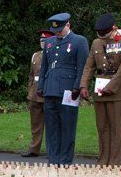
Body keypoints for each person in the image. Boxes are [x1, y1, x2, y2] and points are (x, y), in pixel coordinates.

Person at [80, 13, 121, 166]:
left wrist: (110, 87)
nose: (102, 37)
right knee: (102, 128)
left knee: (117, 129)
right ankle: (103, 160)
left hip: (119, 91)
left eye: (105, 34)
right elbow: (89, 66)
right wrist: (83, 85)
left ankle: (114, 163)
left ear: (113, 29)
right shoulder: (96, 43)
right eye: (100, 34)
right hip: (100, 90)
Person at [38, 13, 89, 165]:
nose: (57, 33)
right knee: (52, 128)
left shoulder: (79, 41)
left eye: (60, 30)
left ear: (68, 25)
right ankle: (53, 159)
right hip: (50, 89)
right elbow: (44, 67)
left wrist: (77, 86)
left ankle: (65, 160)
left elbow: (82, 67)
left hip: (68, 91)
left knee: (67, 127)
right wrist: (41, 86)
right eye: (55, 31)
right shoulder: (49, 42)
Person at [21, 30, 52, 157]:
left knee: (51, 125)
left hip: (48, 93)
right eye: (41, 39)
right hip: (34, 94)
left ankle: (52, 151)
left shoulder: (53, 55)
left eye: (45, 40)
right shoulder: (35, 55)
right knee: (35, 125)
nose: (42, 42)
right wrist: (30, 91)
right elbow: (31, 76)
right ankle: (34, 149)